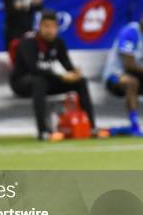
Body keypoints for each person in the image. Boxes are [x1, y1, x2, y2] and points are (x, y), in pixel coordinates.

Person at [10, 9, 98, 141]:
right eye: (46, 26)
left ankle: (92, 128)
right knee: (38, 81)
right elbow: (33, 68)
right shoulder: (28, 41)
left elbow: (66, 64)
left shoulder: (58, 42)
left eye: (53, 27)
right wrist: (62, 76)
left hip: (47, 81)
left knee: (80, 81)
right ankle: (43, 132)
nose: (50, 30)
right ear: (39, 26)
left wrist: (74, 72)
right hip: (22, 82)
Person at [102, 13, 143, 135]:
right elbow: (128, 64)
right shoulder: (131, 31)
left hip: (138, 75)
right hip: (115, 76)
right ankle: (134, 125)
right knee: (131, 82)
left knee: (134, 81)